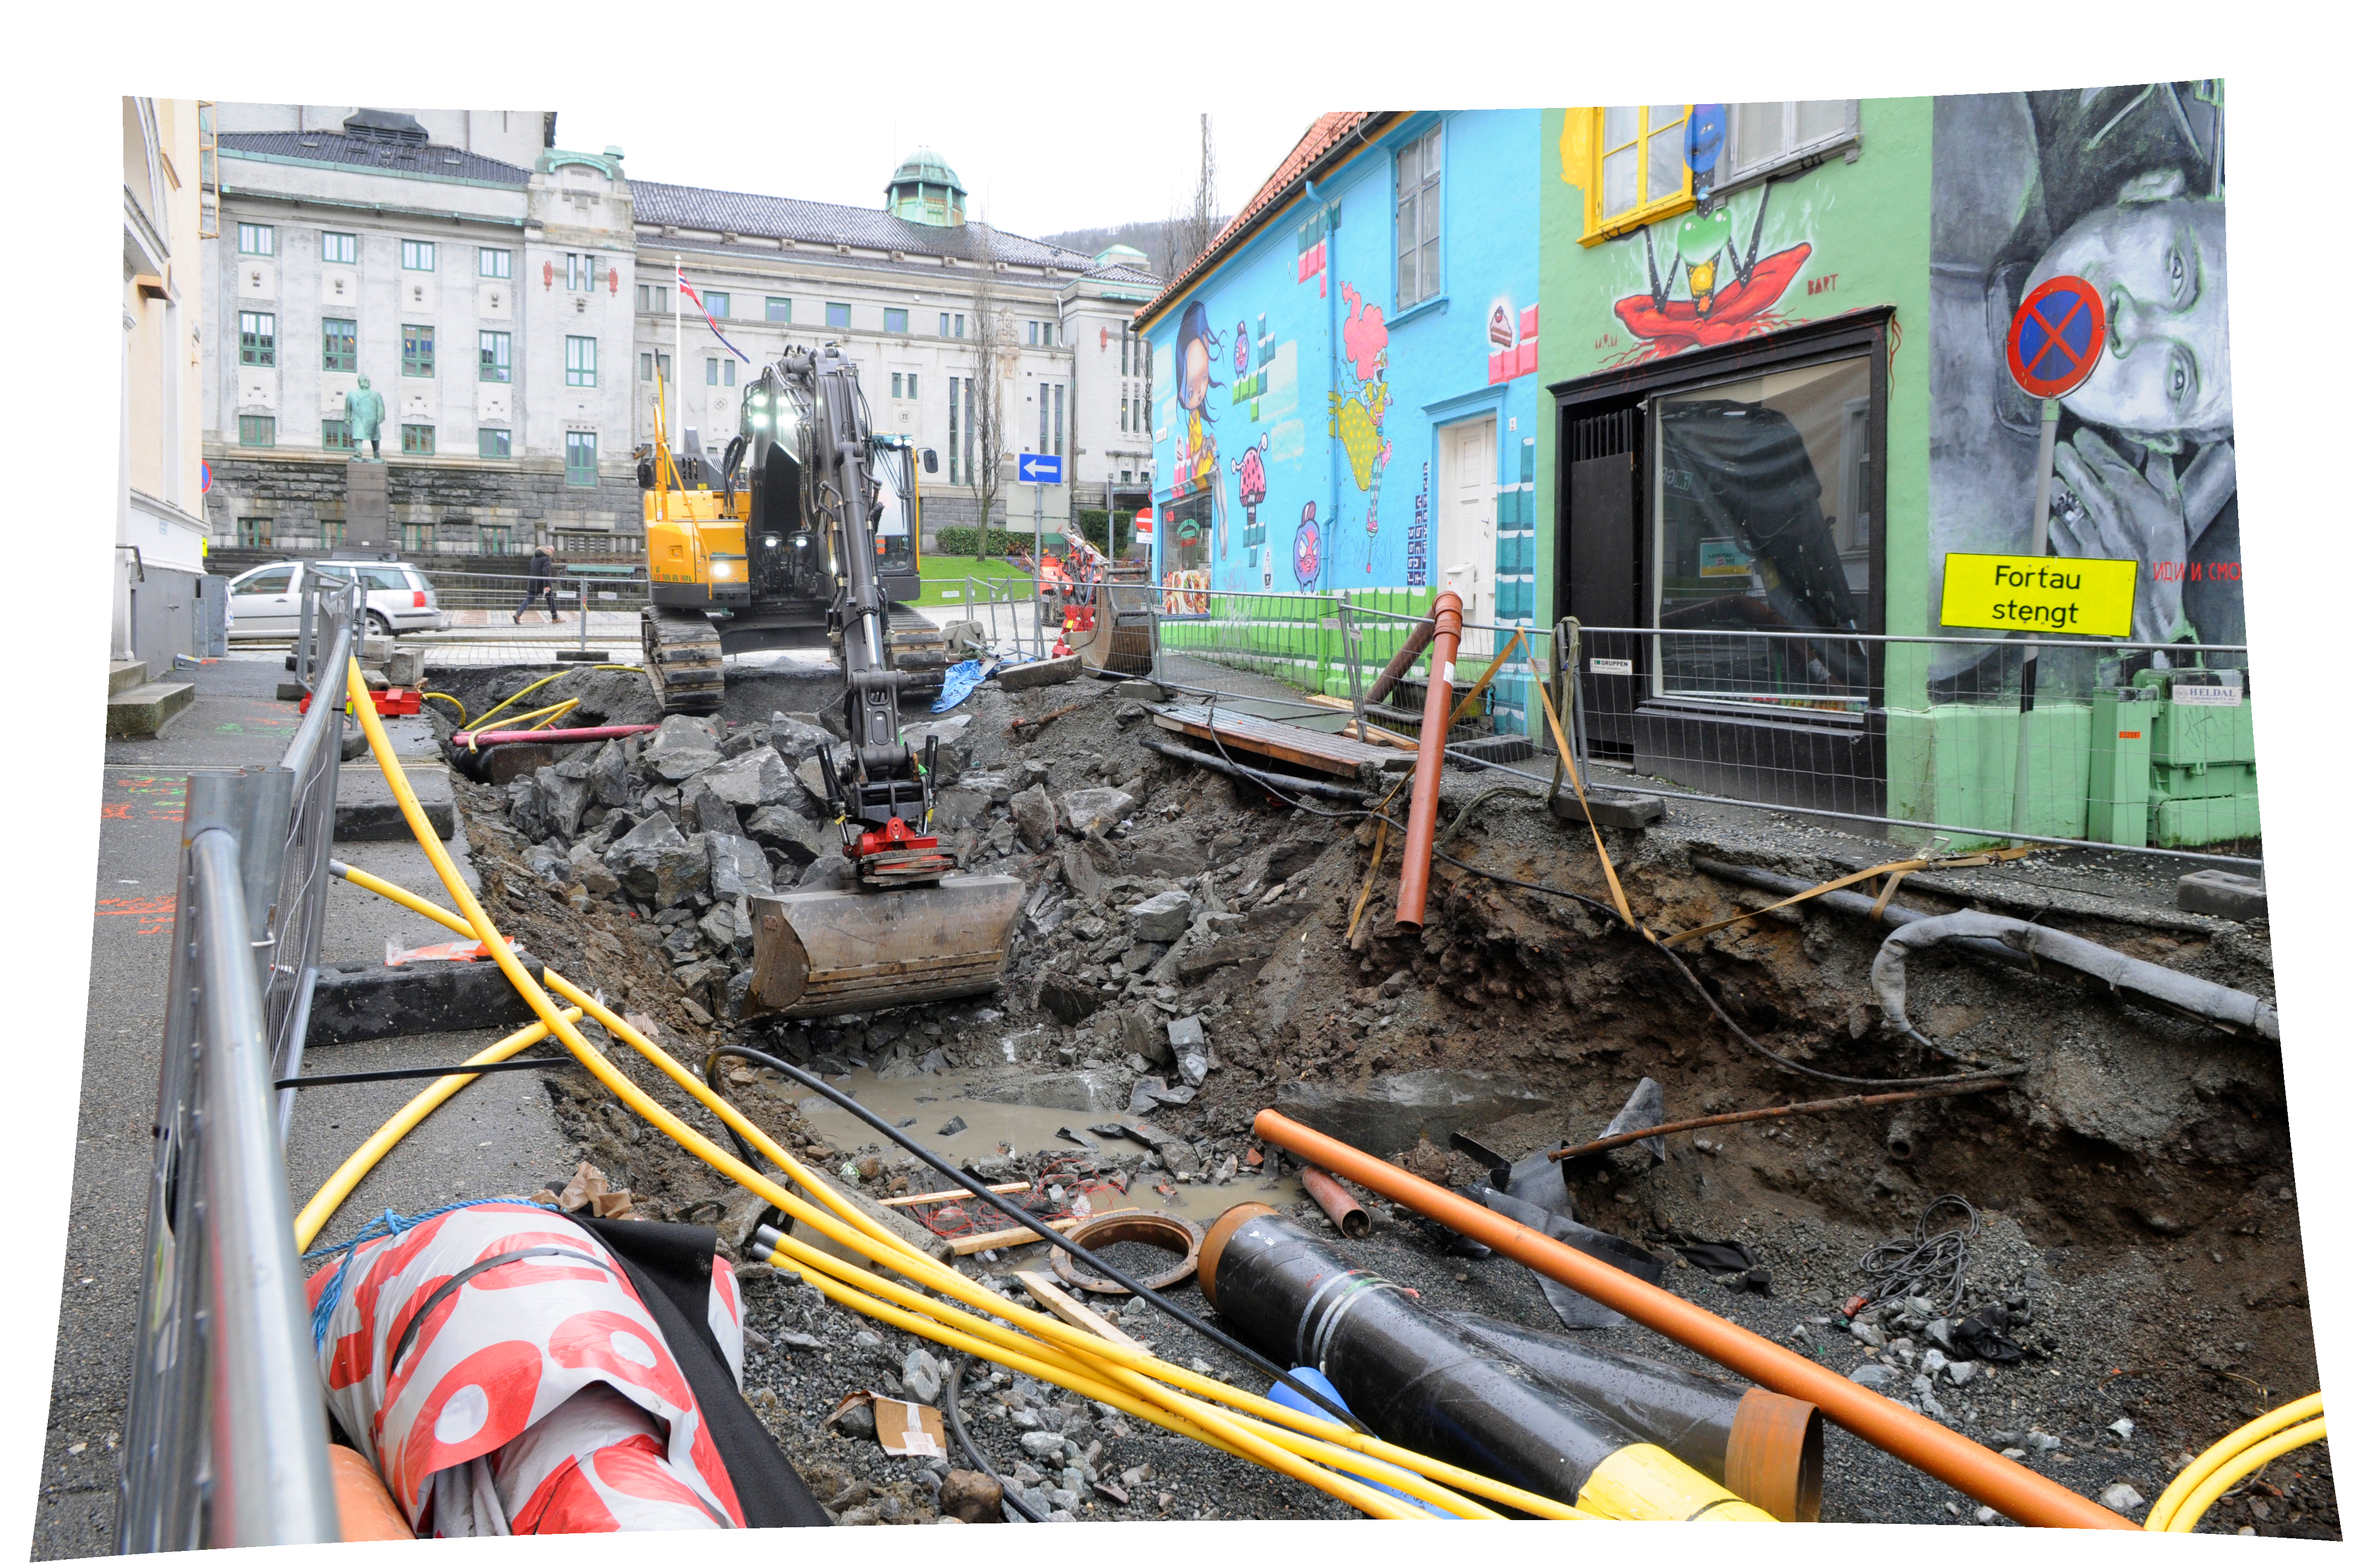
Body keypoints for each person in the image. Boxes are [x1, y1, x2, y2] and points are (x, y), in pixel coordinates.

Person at [515, 546, 558, 623]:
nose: (553, 553)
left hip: (533, 581)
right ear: (549, 550)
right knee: (550, 599)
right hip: (542, 582)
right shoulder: (547, 558)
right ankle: (555, 618)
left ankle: (518, 614)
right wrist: (547, 586)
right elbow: (546, 572)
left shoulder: (534, 558)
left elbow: (530, 569)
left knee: (530, 599)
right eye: (553, 551)